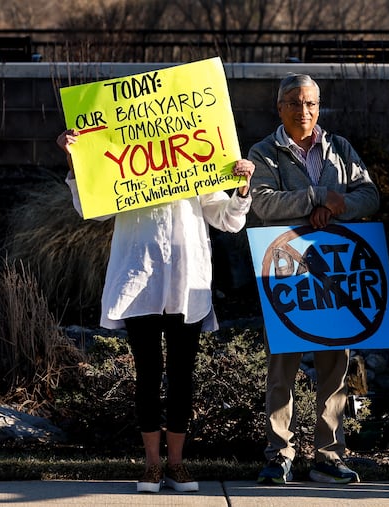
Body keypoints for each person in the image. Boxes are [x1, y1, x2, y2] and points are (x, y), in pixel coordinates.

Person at [57, 128, 255, 494]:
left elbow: (228, 220)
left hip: (186, 282)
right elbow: (92, 209)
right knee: (147, 374)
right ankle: (151, 466)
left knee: (182, 376)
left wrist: (241, 188)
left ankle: (177, 465)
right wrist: (75, 158)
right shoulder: (129, 164)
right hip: (141, 282)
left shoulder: (197, 160)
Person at [248, 73, 380, 485]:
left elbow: (369, 195)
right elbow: (263, 204)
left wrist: (335, 208)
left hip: (337, 271)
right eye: (294, 103)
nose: (303, 111)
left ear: (319, 107)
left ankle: (329, 455)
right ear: (279, 107)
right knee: (282, 367)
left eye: (310, 104)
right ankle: (279, 454)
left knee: (335, 369)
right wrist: (317, 197)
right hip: (286, 272)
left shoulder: (339, 148)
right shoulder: (264, 152)